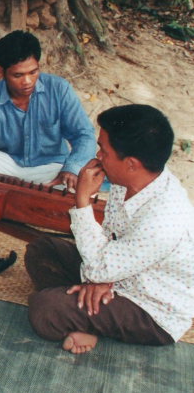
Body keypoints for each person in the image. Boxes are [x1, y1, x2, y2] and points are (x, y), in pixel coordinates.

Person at [25, 104, 194, 354]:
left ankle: (87, 320)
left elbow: (97, 266)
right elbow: (109, 238)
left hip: (151, 308)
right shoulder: (129, 180)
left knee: (45, 310)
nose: (98, 155)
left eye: (103, 149)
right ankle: (87, 307)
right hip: (119, 271)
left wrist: (82, 201)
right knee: (41, 250)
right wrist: (101, 280)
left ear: (132, 163)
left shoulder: (164, 220)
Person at [0, 30, 95, 191]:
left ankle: (2, 184)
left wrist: (71, 169)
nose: (27, 81)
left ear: (38, 66)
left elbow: (84, 134)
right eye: (18, 75)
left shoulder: (59, 89)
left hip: (51, 169)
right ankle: (20, 186)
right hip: (7, 166)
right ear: (1, 72)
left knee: (79, 182)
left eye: (33, 72)